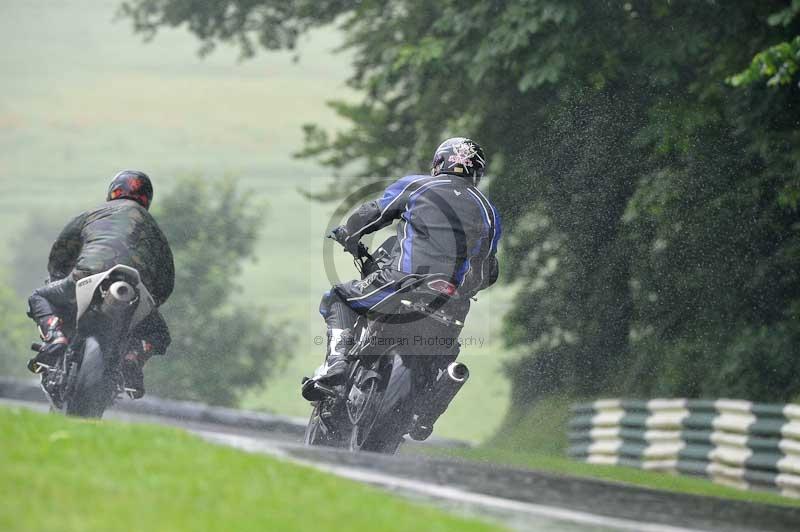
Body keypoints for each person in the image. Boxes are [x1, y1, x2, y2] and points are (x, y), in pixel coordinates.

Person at [303, 137, 501, 400]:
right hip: (450, 302)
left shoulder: (418, 185)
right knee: (444, 355)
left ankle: (337, 364)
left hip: (402, 282)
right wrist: (463, 290)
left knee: (338, 299)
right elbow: (486, 269)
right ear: (477, 173)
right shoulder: (488, 211)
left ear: (438, 163)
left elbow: (372, 212)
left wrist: (348, 233)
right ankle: (428, 405)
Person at [27, 170, 174, 399]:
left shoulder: (93, 214)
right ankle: (133, 357)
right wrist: (151, 303)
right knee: (159, 334)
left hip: (86, 275)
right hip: (135, 289)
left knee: (40, 296)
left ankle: (55, 335)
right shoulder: (154, 228)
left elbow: (61, 251)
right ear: (147, 198)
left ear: (114, 191)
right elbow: (166, 281)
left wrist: (57, 278)